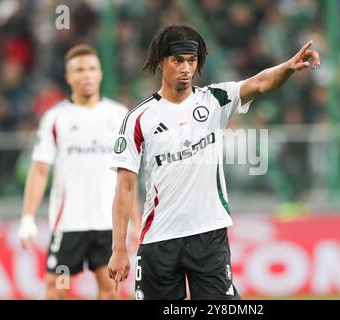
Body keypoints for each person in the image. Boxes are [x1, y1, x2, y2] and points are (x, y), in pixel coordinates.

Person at [108, 25, 320, 300]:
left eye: (192, 61)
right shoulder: (139, 118)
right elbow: (124, 188)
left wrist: (288, 68)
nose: (187, 68)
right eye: (178, 60)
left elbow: (259, 83)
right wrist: (118, 249)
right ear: (161, 62)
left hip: (208, 235)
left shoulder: (214, 100)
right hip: (159, 239)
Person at [18, 44, 141, 300]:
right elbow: (40, 170)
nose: (86, 75)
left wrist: (136, 222)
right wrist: (27, 217)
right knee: (56, 288)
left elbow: (126, 176)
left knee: (109, 290)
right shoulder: (55, 118)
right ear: (68, 77)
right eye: (79, 70)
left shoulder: (119, 116)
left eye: (92, 69)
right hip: (68, 223)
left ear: (101, 73)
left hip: (109, 225)